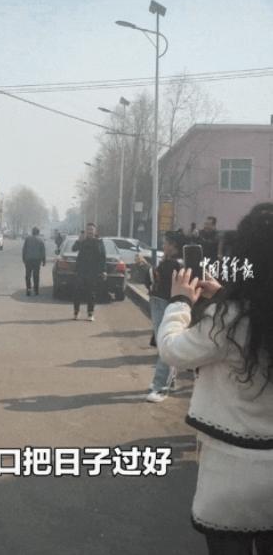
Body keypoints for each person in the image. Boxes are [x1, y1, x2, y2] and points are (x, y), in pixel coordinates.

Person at [157, 203, 273, 555]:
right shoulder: (239, 315)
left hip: (231, 474)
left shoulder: (229, 320)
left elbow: (173, 350)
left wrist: (180, 302)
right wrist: (223, 296)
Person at [138, 231, 184, 402]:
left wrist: (145, 267)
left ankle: (160, 387)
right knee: (165, 344)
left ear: (174, 246)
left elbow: (154, 278)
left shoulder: (175, 264)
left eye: (166, 243)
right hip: (159, 303)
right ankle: (169, 381)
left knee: (165, 346)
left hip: (165, 304)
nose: (163, 246)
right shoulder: (169, 262)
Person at [72, 223, 106, 321]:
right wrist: (78, 240)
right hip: (81, 271)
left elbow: (103, 257)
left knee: (91, 293)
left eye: (91, 229)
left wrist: (103, 270)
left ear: (95, 231)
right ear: (86, 231)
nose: (90, 231)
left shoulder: (99, 242)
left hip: (93, 272)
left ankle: (90, 314)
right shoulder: (82, 241)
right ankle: (76, 312)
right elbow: (73, 249)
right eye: (88, 229)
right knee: (77, 292)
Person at [22, 226, 46, 296]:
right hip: (37, 261)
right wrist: (44, 260)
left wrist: (23, 258)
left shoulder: (27, 239)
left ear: (32, 232)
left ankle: (28, 289)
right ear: (38, 232)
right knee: (36, 276)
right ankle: (36, 290)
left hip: (28, 260)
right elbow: (43, 251)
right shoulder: (41, 240)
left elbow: (24, 249)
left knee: (28, 275)